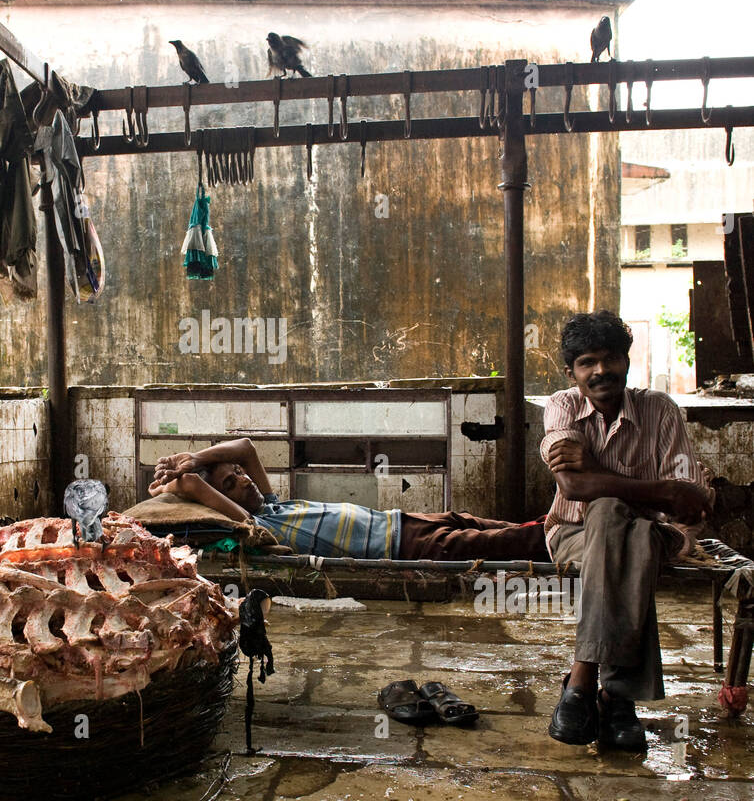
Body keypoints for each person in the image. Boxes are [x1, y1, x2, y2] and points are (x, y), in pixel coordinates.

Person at [541, 310, 713, 752]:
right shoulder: (561, 406)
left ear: (626, 362)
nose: (600, 371)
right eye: (587, 362)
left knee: (615, 516)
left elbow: (691, 505)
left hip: (661, 537)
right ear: (572, 372)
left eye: (611, 358)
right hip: (573, 535)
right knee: (616, 521)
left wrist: (606, 481)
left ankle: (581, 679)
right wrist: (661, 492)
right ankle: (617, 699)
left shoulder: (660, 409)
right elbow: (574, 487)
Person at [149, 436, 549, 561]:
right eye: (232, 483)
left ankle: (561, 529)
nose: (244, 480)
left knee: (482, 523)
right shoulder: (257, 527)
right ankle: (578, 542)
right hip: (400, 547)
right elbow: (191, 487)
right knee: (511, 545)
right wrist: (177, 479)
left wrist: (199, 457)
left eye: (238, 474)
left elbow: (247, 447)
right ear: (221, 500)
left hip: (400, 521)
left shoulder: (273, 504)